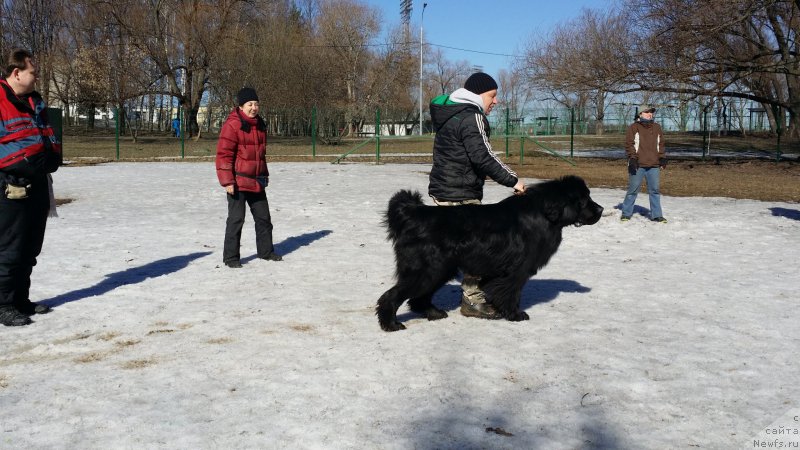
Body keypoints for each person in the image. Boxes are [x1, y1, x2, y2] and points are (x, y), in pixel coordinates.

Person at [428, 72, 526, 320]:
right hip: (461, 195)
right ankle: (473, 301)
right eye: (492, 95)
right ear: (477, 94)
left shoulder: (451, 114)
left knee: (446, 250)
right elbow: (483, 156)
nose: (495, 101)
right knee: (476, 251)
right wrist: (513, 180)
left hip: (444, 191)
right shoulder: (472, 116)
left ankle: (424, 295)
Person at [0, 49, 62, 326]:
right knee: (10, 248)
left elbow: (44, 135)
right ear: (17, 73)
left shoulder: (35, 102)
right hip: (9, 186)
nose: (36, 77)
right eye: (33, 72)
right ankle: (3, 304)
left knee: (29, 247)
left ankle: (20, 299)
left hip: (37, 183)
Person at [215, 87, 282, 268]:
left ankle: (266, 252)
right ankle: (231, 258)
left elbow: (260, 155)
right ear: (241, 106)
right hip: (237, 182)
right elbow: (224, 155)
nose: (254, 108)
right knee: (236, 220)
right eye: (250, 104)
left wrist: (264, 175)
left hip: (257, 180)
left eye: (256, 104)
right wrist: (227, 181)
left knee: (264, 219)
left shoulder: (260, 124)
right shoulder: (232, 125)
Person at [620, 105, 667, 223]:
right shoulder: (633, 127)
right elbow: (629, 144)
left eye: (651, 112)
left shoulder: (657, 127)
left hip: (654, 165)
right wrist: (633, 158)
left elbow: (660, 144)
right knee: (632, 190)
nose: (650, 114)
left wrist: (662, 157)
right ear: (640, 114)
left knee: (654, 190)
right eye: (647, 112)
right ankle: (626, 213)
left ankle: (657, 215)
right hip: (638, 165)